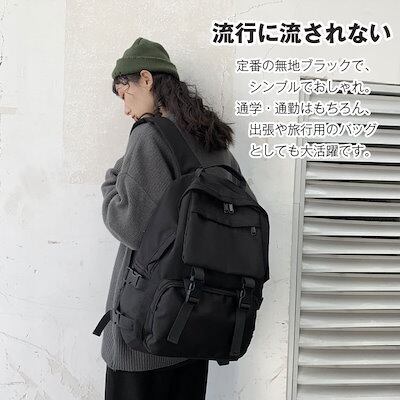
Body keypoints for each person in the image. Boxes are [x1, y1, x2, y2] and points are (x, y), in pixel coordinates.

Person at [100, 37, 255, 400]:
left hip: (145, 334)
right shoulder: (213, 138)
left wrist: (111, 182)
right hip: (195, 326)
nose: (126, 109)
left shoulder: (150, 136)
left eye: (124, 94)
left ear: (145, 79)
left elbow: (131, 226)